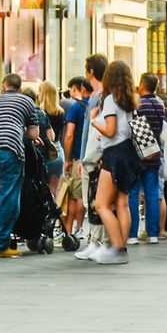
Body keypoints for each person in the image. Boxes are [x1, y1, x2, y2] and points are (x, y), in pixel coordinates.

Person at [89, 60, 142, 265]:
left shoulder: (111, 100)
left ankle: (117, 247)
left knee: (101, 204)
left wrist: (94, 121)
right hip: (129, 153)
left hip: (114, 155)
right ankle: (122, 248)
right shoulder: (130, 100)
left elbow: (110, 131)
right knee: (122, 203)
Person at [0, 74, 40, 258]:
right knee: (7, 197)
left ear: (3, 86)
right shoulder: (27, 101)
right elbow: (33, 133)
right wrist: (21, 132)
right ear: (20, 88)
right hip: (10, 150)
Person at [75, 55, 108, 260]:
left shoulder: (99, 96)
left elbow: (90, 130)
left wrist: (83, 157)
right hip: (95, 154)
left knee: (93, 199)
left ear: (91, 71)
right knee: (96, 199)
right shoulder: (103, 95)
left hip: (94, 154)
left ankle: (96, 241)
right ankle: (98, 241)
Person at [127, 73, 166, 246]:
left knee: (133, 194)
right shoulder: (160, 104)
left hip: (137, 156)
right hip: (154, 155)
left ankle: (132, 234)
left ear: (142, 85)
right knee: (152, 195)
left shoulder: (137, 104)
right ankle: (153, 233)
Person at [63, 76, 89, 240]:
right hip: (93, 156)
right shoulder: (94, 105)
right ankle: (78, 228)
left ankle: (74, 229)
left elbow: (69, 135)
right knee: (84, 194)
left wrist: (67, 159)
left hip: (78, 156)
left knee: (74, 195)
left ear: (76, 88)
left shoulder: (76, 108)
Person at [38, 81, 64, 197]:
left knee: (42, 189)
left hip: (43, 151)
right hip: (57, 150)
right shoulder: (60, 112)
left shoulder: (39, 112)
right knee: (55, 190)